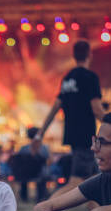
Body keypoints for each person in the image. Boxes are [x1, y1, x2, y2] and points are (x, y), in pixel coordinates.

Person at [36, 40, 106, 197]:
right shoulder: (90, 77)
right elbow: (97, 109)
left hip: (73, 136)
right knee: (76, 183)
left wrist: (40, 134)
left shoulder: (67, 78)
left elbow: (54, 109)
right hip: (86, 137)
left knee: (94, 182)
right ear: (90, 55)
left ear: (74, 56)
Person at [15, 127, 50, 202]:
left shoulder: (23, 148)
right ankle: (41, 197)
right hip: (37, 173)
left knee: (25, 176)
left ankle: (24, 197)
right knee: (43, 174)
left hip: (28, 173)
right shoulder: (44, 148)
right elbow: (48, 160)